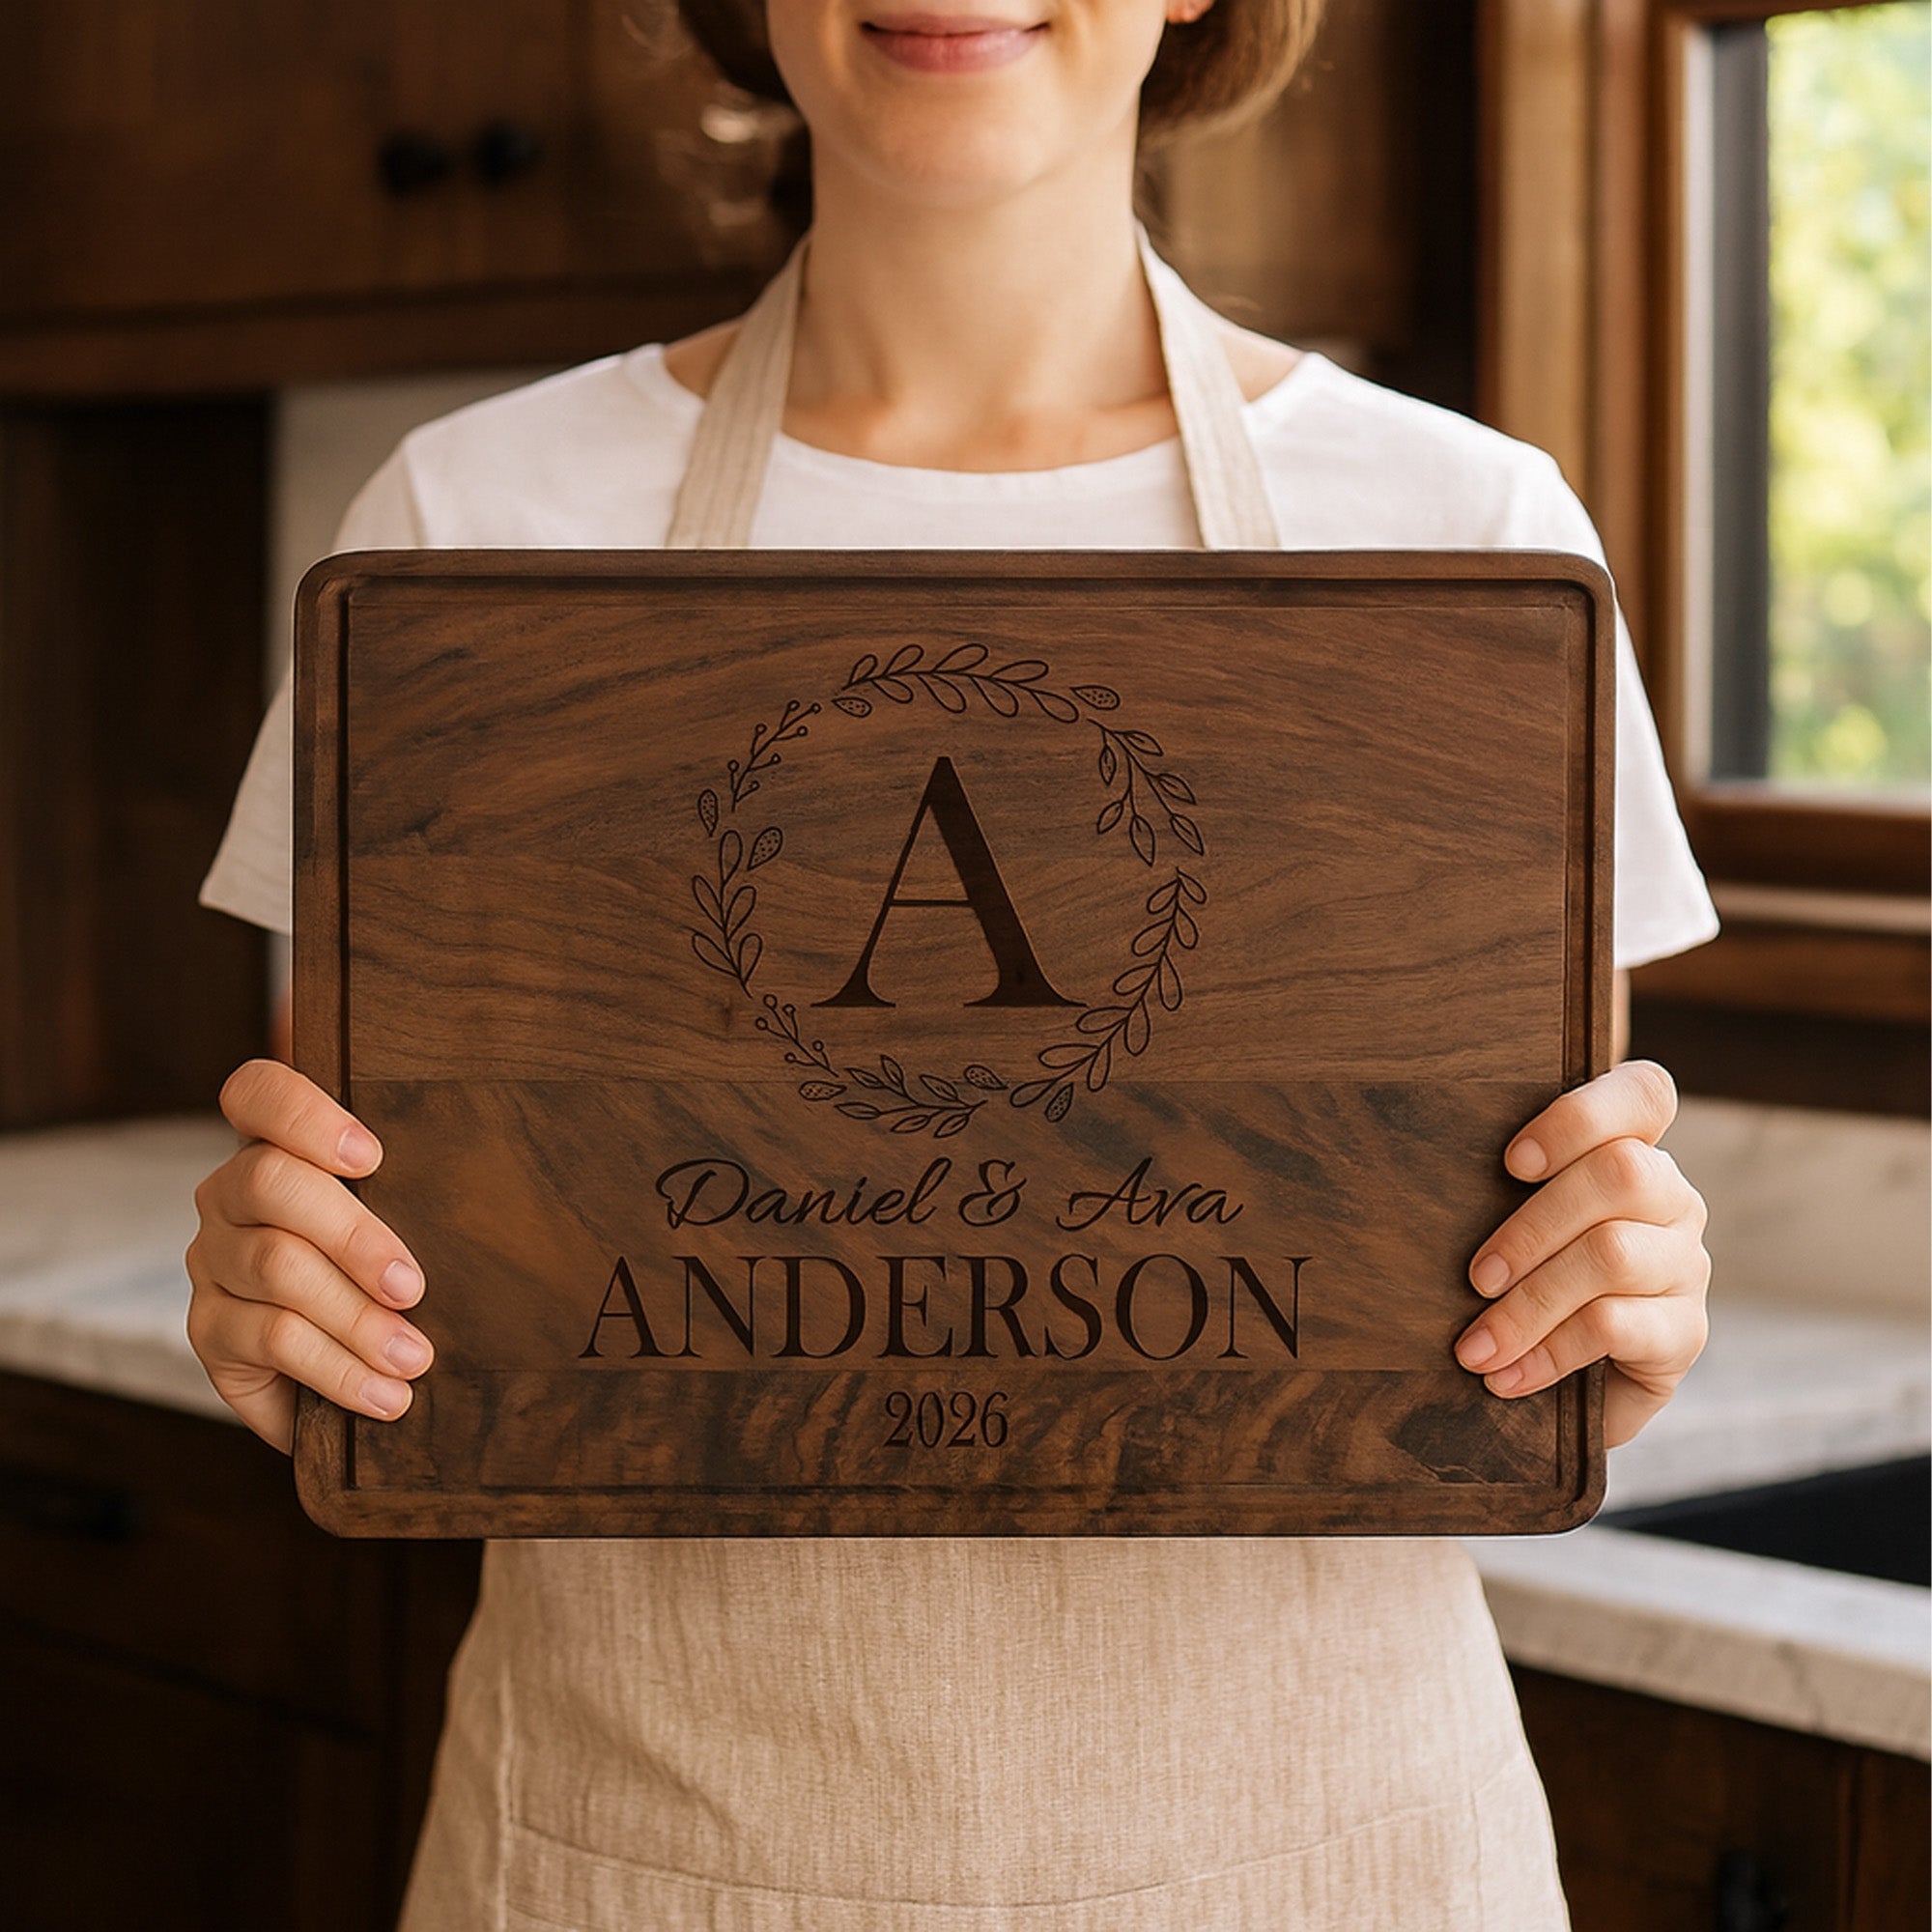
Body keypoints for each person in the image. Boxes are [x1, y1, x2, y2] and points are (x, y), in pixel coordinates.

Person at [187, 1, 1719, 1924]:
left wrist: (1595, 1321)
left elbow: (1519, 1248)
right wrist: (295, 1313)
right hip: (642, 1860)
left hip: (1328, 1858)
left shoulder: (1465, 546)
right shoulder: (463, 537)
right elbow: (391, 1262)